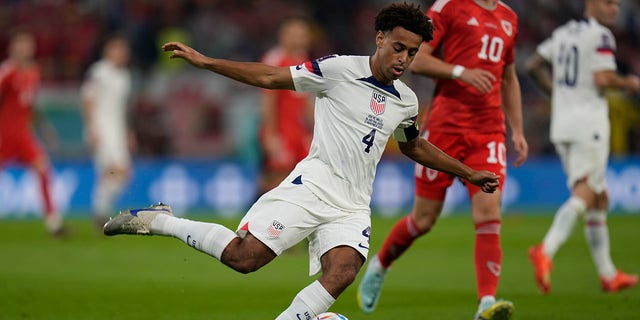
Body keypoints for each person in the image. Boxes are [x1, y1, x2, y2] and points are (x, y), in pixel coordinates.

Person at [103, 3, 500, 319]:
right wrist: (208, 63)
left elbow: (413, 146)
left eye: (412, 53)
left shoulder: (407, 101)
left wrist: (467, 173)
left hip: (353, 204)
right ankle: (162, 220)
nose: (404, 59)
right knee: (245, 259)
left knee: (343, 272)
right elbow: (270, 78)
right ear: (380, 39)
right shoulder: (338, 69)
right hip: (313, 185)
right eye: (399, 47)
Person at [357, 1, 528, 319]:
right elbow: (418, 60)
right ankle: (381, 264)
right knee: (423, 220)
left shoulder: (509, 18)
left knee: (489, 212)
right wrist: (461, 72)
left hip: (488, 130)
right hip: (445, 128)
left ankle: (486, 303)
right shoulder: (450, 7)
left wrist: (516, 129)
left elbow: (509, 77)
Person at [525, 0, 639, 294]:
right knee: (587, 192)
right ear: (592, 4)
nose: (615, 9)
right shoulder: (601, 36)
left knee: (599, 198)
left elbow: (533, 65)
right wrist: (629, 83)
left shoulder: (564, 33)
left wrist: (559, 94)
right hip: (588, 125)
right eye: (609, 3)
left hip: (562, 124)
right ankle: (545, 250)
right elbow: (601, 78)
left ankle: (608, 275)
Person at [0, 31, 65, 236]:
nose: (23, 50)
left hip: (23, 136)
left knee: (43, 169)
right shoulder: (7, 72)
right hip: (3, 135)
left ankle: (53, 223)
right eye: (19, 45)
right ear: (12, 48)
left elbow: (31, 105)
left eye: (27, 45)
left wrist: (45, 129)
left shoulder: (33, 72)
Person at [81, 35, 133, 229]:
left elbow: (121, 108)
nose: (122, 54)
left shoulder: (124, 76)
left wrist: (128, 132)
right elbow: (87, 99)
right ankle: (100, 214)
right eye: (118, 49)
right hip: (102, 130)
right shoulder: (99, 71)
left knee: (122, 175)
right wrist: (92, 129)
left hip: (117, 132)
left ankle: (100, 210)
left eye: (124, 50)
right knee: (111, 171)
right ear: (108, 50)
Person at [258, 17, 314, 194]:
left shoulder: (302, 60)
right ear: (283, 36)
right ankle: (256, 214)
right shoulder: (275, 59)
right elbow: (268, 100)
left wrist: (315, 131)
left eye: (303, 35)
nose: (300, 39)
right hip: (281, 130)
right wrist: (271, 134)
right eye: (295, 35)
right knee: (276, 179)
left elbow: (305, 101)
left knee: (301, 176)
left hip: (298, 131)